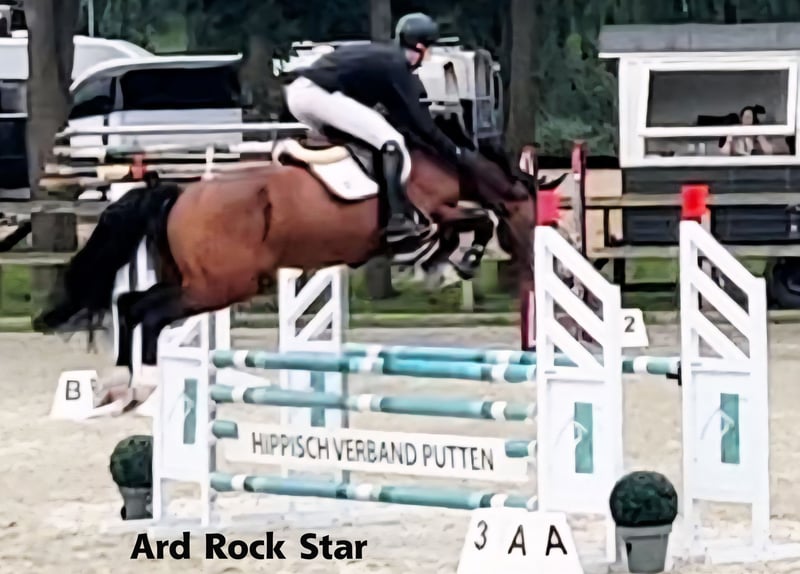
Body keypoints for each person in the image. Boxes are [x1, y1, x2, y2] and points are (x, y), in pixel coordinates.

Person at [283, 12, 468, 242]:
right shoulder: (397, 66)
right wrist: (454, 152)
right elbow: (420, 124)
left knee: (369, 141)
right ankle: (397, 219)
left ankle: (363, 206)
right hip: (318, 95)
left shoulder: (386, 60)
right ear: (420, 48)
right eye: (429, 50)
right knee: (392, 143)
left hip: (301, 94)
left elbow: (401, 116)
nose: (428, 57)